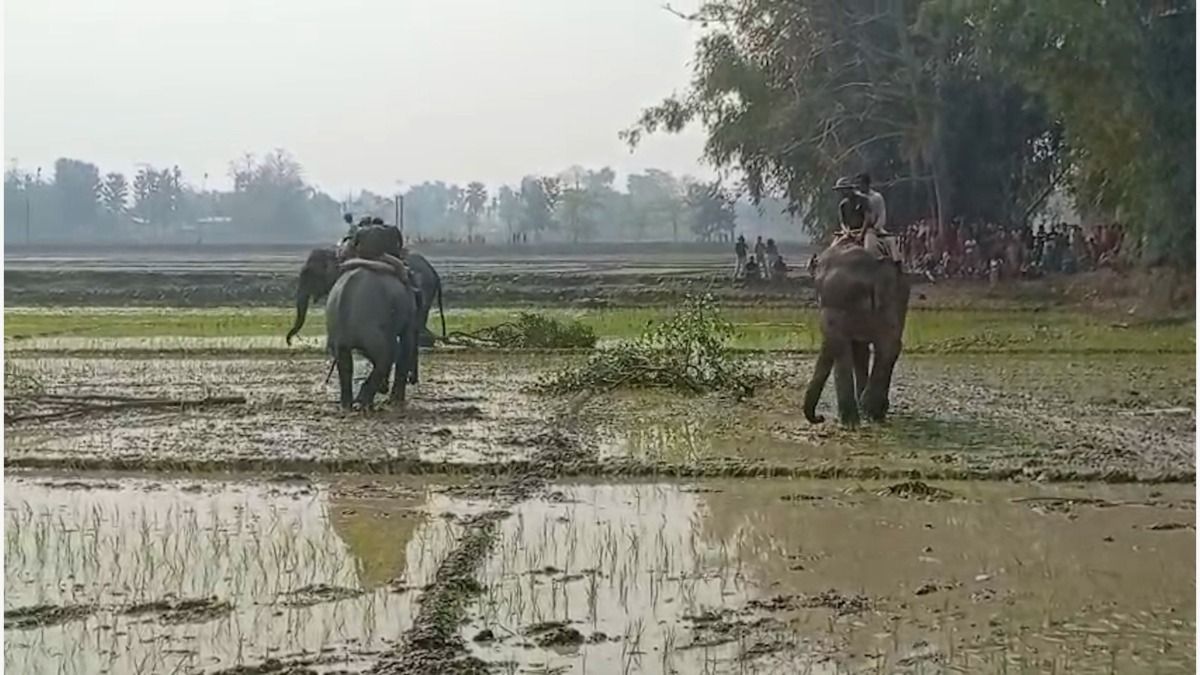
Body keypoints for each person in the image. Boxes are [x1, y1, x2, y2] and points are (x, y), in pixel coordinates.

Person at [857, 173, 900, 268]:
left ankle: (897, 265)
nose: (858, 187)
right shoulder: (857, 198)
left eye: (860, 184)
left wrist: (876, 227)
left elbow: (881, 215)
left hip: (873, 228)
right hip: (855, 229)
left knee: (890, 241)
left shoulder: (877, 198)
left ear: (866, 184)